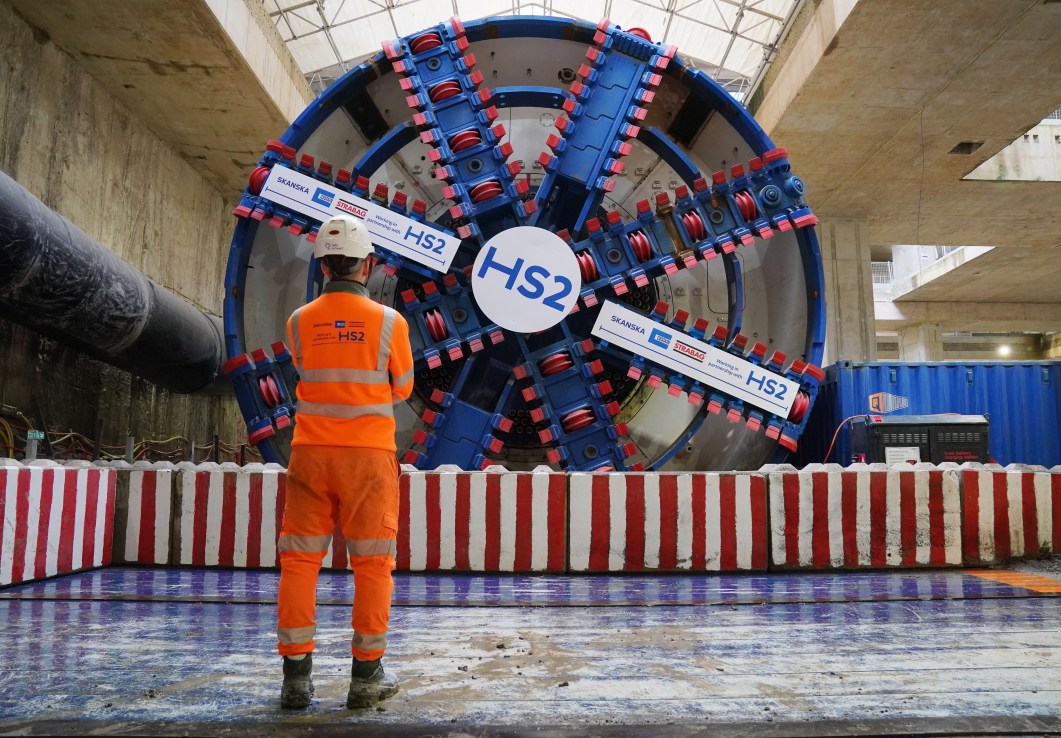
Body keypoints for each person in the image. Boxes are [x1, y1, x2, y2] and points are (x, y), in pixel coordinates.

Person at [276, 214, 414, 710]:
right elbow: (403, 388)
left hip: (309, 455)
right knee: (373, 565)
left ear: (321, 266)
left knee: (299, 561)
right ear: (368, 265)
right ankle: (365, 678)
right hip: (369, 459)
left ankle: (295, 680)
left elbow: (303, 367)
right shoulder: (390, 323)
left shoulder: (299, 321)